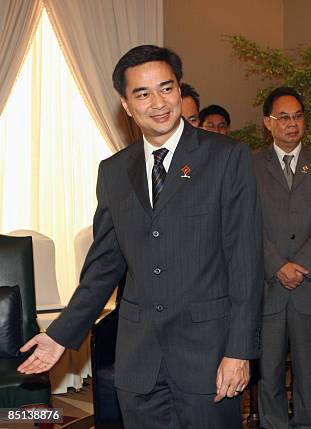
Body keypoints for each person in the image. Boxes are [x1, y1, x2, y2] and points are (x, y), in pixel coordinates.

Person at [18, 45, 263, 429]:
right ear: (126, 105)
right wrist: (61, 335)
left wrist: (239, 352)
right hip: (139, 359)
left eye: (166, 89)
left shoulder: (227, 158)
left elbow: (245, 263)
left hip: (209, 357)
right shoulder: (114, 171)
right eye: (142, 94)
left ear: (180, 91)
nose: (158, 103)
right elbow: (103, 266)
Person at [253, 86, 311, 429]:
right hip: (269, 286)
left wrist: (300, 267)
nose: (292, 124)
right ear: (268, 123)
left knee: (308, 373)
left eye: (298, 116)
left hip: (310, 285)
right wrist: (277, 265)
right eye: (284, 117)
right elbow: (246, 224)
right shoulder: (249, 164)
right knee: (269, 373)